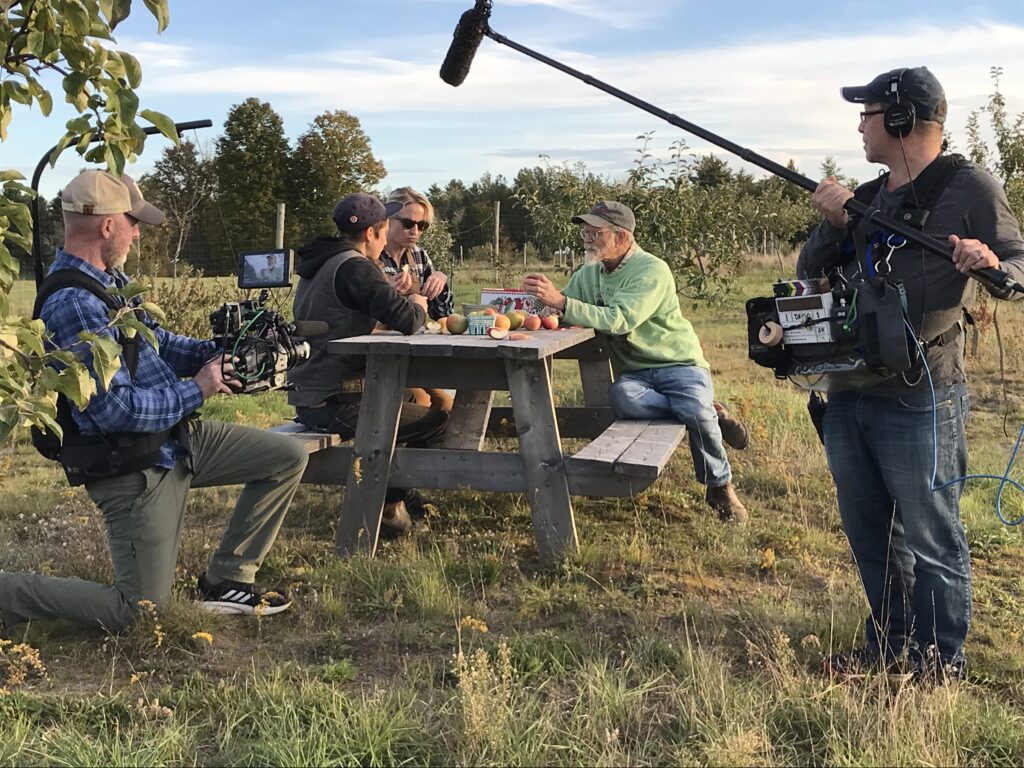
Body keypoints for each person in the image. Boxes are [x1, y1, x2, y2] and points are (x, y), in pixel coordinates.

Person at [0, 170, 308, 633]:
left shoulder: (110, 283)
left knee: (285, 456)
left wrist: (220, 354)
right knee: (139, 613)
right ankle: (8, 592)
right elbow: (115, 410)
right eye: (133, 222)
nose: (138, 232)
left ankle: (227, 578)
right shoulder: (73, 302)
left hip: (173, 439)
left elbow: (158, 342)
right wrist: (200, 387)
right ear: (107, 226)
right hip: (133, 465)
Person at [797, 67, 1024, 681]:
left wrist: (989, 263)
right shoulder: (866, 199)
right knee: (870, 533)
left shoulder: (970, 185)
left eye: (868, 113)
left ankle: (937, 662)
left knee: (930, 534)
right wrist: (834, 224)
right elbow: (806, 267)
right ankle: (889, 646)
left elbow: (1019, 265)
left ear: (901, 120)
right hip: (848, 390)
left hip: (922, 390)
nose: (860, 126)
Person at [522, 200, 748, 522]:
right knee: (623, 397)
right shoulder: (589, 273)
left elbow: (620, 319)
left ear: (622, 237)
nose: (586, 237)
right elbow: (563, 306)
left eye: (594, 232)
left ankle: (720, 486)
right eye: (585, 231)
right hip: (637, 375)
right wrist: (535, 302)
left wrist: (562, 302)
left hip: (679, 365)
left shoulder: (652, 269)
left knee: (693, 410)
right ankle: (709, 412)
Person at [288, 192, 448, 536]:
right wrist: (418, 300)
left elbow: (346, 314)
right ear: (373, 233)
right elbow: (408, 320)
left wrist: (385, 290)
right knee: (439, 420)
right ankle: (389, 503)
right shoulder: (356, 266)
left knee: (416, 399)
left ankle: (395, 495)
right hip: (335, 400)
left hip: (311, 391)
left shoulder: (325, 263)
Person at [380, 186, 455, 413]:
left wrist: (441, 283)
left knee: (447, 404)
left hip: (416, 354)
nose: (415, 231)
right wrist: (389, 293)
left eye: (422, 226)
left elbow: (442, 316)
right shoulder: (371, 256)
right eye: (408, 223)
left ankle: (427, 445)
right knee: (423, 405)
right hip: (382, 356)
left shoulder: (419, 256)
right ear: (388, 220)